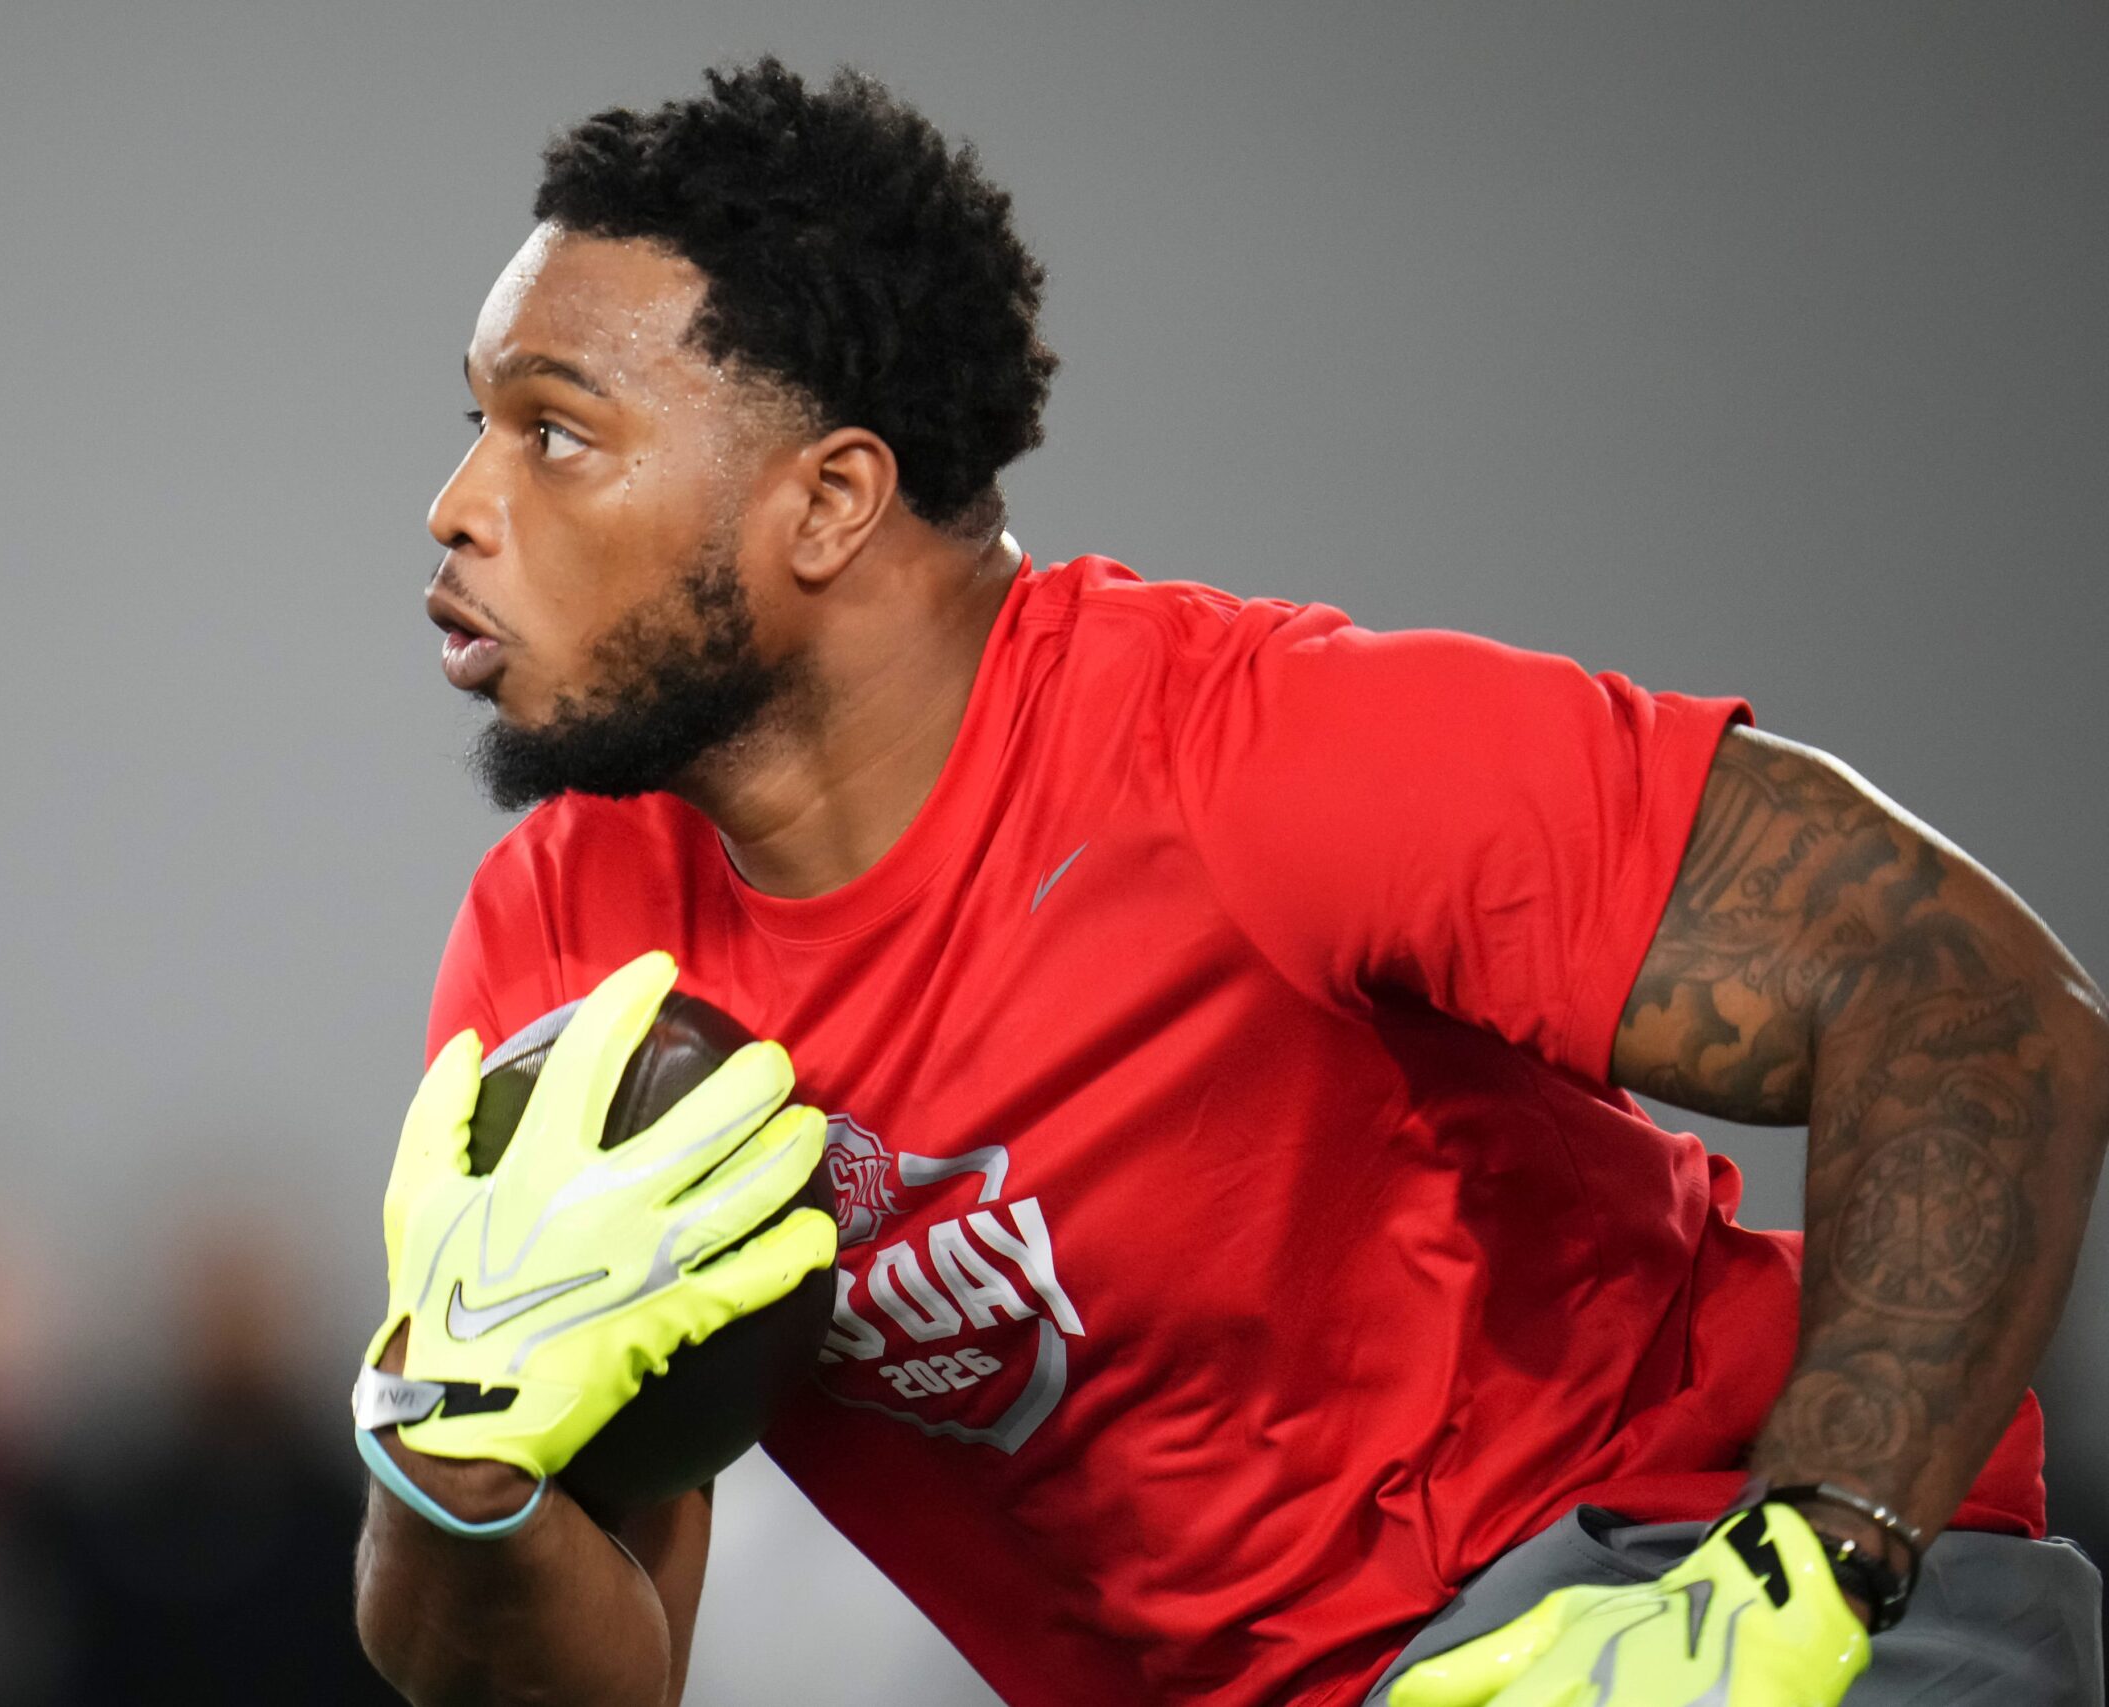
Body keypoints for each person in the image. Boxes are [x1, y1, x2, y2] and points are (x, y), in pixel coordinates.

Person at [349, 59, 2107, 1707]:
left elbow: (1970, 997)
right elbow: (594, 1667)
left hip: (1690, 1564)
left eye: (551, 431)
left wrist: (1805, 1566)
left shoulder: (1254, 753)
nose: (453, 503)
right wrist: (457, 1457)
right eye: (471, 425)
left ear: (829, 505)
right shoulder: (568, 953)